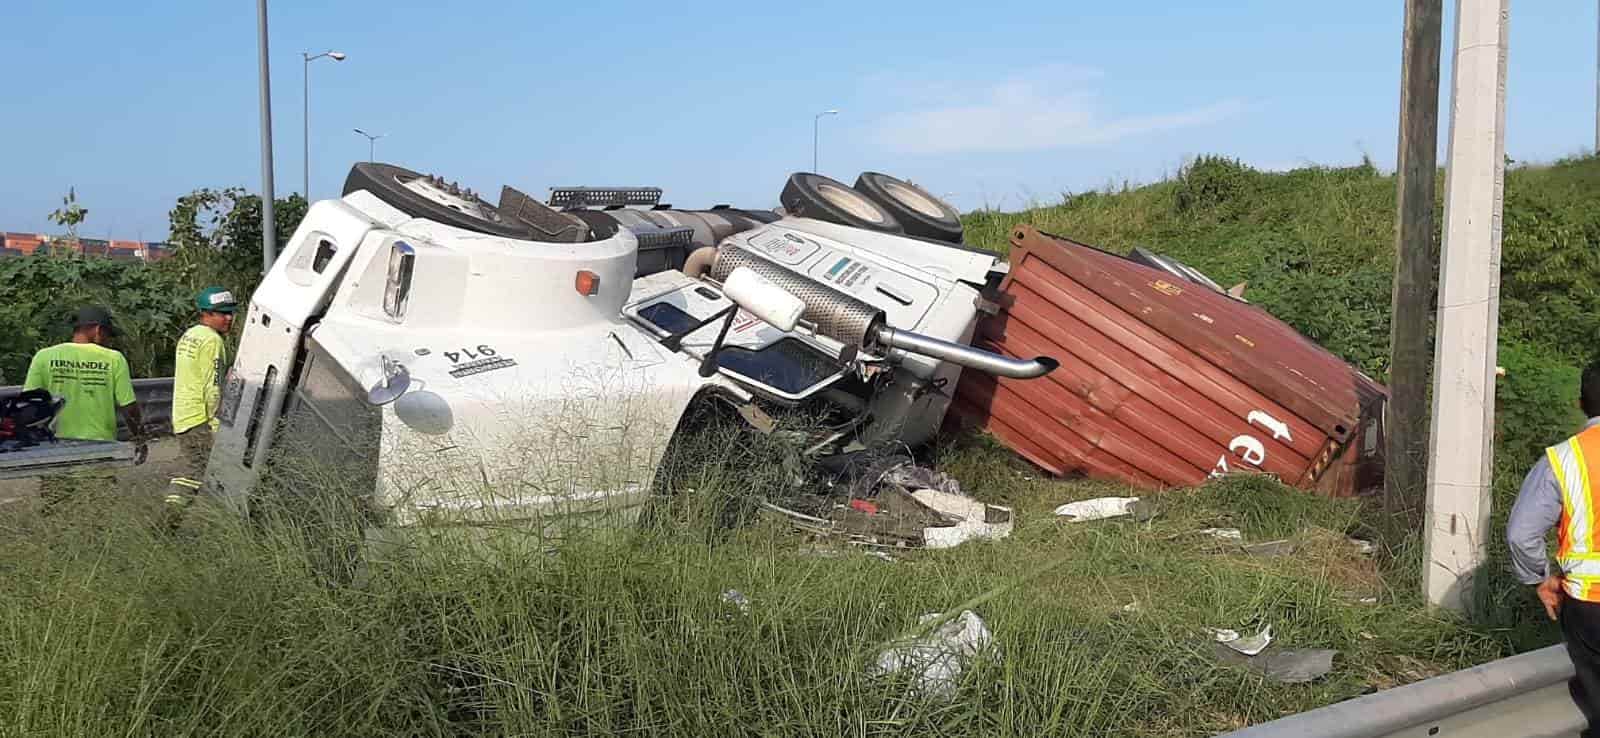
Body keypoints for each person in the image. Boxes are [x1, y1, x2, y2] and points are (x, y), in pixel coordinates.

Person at [1508, 358, 1600, 737]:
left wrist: (1540, 579)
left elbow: (1520, 534)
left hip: (1591, 608)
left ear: (1580, 403)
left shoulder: (1565, 459)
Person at [23, 306, 146, 508]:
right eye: (108, 335)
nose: (108, 341)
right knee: (98, 509)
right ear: (98, 330)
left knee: (56, 507)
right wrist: (139, 437)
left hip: (54, 447)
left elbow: (29, 405)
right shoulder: (113, 359)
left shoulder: (43, 356)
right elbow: (128, 407)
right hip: (98, 447)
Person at [167, 286, 236, 504]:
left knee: (191, 467)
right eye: (223, 313)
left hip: (182, 413)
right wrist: (215, 423)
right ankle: (168, 523)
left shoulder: (190, 335)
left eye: (231, 312)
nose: (229, 318)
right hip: (199, 417)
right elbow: (212, 385)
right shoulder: (212, 340)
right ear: (206, 314)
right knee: (194, 473)